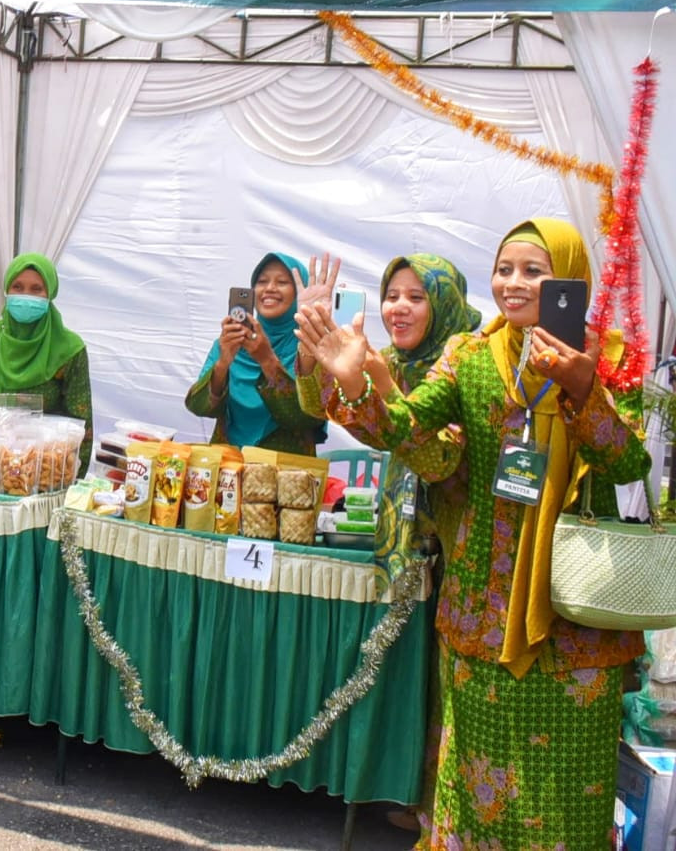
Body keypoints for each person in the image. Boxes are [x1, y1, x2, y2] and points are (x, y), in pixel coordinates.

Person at [298, 218, 650, 849]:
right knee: (476, 792)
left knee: (569, 802)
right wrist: (355, 382)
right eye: (504, 269)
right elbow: (407, 430)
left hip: (577, 619)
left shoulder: (611, 361)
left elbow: (630, 464)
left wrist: (582, 390)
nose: (513, 283)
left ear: (571, 280)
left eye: (534, 271)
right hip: (482, 609)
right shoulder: (469, 356)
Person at [296, 254, 482, 834]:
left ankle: (438, 808)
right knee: (406, 670)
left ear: (444, 303)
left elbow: (437, 457)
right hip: (402, 538)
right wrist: (313, 355)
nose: (398, 308)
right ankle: (408, 789)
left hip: (454, 546)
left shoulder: (464, 364)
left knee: (441, 681)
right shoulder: (394, 359)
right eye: (392, 295)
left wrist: (375, 381)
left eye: (415, 297)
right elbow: (319, 406)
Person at [186, 252, 331, 455]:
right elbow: (198, 407)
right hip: (228, 466)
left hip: (287, 469)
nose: (269, 288)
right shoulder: (228, 342)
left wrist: (267, 360)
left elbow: (306, 418)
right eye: (262, 282)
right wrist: (222, 364)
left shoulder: (312, 345)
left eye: (282, 282)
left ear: (299, 293)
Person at [0, 252, 94, 468]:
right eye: (18, 287)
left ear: (50, 293)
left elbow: (81, 424)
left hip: (43, 468)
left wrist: (73, 478)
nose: (26, 296)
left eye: (36, 289)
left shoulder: (69, 350)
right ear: (7, 290)